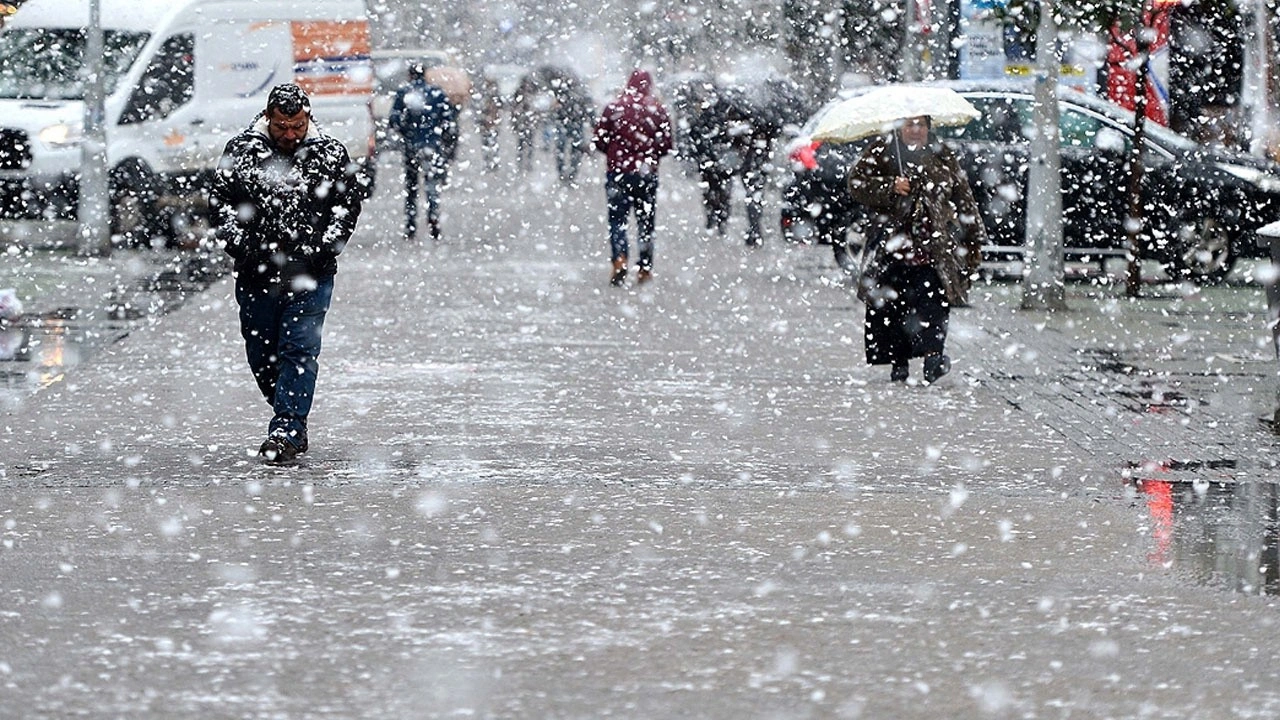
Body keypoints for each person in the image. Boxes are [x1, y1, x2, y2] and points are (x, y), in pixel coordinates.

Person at [211, 83, 364, 463]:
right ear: (268, 118)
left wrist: (324, 248)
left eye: (297, 126)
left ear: (308, 117)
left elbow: (346, 207)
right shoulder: (242, 151)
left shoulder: (330, 153)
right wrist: (241, 247)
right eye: (282, 126)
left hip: (310, 274)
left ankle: (287, 428)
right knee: (262, 353)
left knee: (299, 349)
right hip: (257, 273)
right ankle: (287, 409)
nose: (290, 135)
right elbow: (220, 203)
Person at [846, 115, 986, 384]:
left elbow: (963, 196)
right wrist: (890, 187)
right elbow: (857, 185)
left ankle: (934, 358)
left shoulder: (941, 154)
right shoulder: (882, 150)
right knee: (893, 306)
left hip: (932, 247)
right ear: (899, 127)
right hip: (892, 246)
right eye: (909, 124)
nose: (915, 130)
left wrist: (972, 237)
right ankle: (899, 362)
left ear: (928, 128)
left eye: (920, 125)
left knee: (933, 304)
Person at [592, 69, 674, 286]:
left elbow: (599, 140)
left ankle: (619, 258)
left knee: (617, 220)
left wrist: (614, 154)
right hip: (646, 174)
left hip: (618, 172)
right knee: (645, 222)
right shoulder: (657, 110)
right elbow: (666, 144)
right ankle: (645, 268)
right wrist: (649, 155)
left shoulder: (614, 107)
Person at [687, 84, 777, 246]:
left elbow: (698, 134)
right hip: (745, 160)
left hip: (728, 160)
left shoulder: (718, 114)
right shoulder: (754, 115)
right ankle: (748, 227)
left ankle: (720, 218)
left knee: (720, 189)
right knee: (749, 194)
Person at [389, 63, 459, 240]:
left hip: (411, 147)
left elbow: (394, 120)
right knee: (432, 186)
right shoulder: (436, 93)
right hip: (432, 146)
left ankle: (411, 225)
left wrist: (406, 132)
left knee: (412, 187)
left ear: (410, 75)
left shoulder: (405, 93)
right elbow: (448, 121)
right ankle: (433, 222)